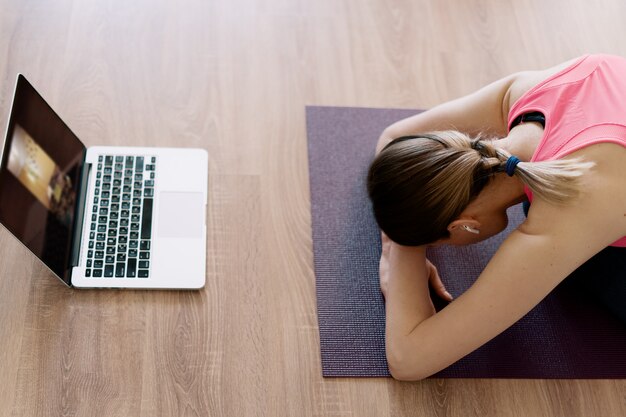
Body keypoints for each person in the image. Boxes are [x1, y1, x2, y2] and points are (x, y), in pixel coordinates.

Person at [366, 54, 626, 381]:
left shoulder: (565, 211)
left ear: (463, 224)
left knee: (581, 262)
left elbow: (408, 361)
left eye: (436, 241)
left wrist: (401, 252)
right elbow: (393, 140)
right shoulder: (526, 94)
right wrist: (398, 236)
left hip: (598, 197)